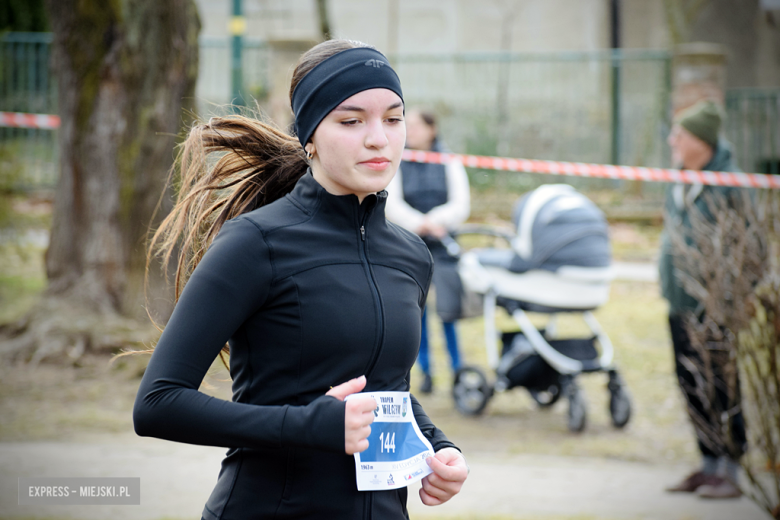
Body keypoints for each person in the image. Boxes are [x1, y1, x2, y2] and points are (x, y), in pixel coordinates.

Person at [130, 39, 468, 519]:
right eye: (351, 121)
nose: (379, 138)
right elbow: (159, 404)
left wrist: (438, 447)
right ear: (310, 135)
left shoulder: (412, 255)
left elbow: (387, 390)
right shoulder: (255, 243)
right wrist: (308, 426)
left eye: (393, 119)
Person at [660, 100, 746, 499]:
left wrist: (731, 299)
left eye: (680, 134)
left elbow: (749, 246)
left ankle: (731, 469)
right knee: (691, 384)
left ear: (702, 141)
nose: (672, 141)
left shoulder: (730, 183)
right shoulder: (679, 179)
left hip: (715, 307)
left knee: (721, 387)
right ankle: (708, 463)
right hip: (679, 304)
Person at [385, 110, 470, 394]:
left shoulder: (449, 160)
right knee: (414, 315)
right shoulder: (397, 161)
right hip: (409, 245)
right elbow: (392, 203)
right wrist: (418, 224)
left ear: (433, 129)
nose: (413, 132)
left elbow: (460, 204)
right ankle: (424, 372)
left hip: (444, 246)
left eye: (418, 126)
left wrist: (437, 221)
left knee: (447, 311)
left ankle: (458, 370)